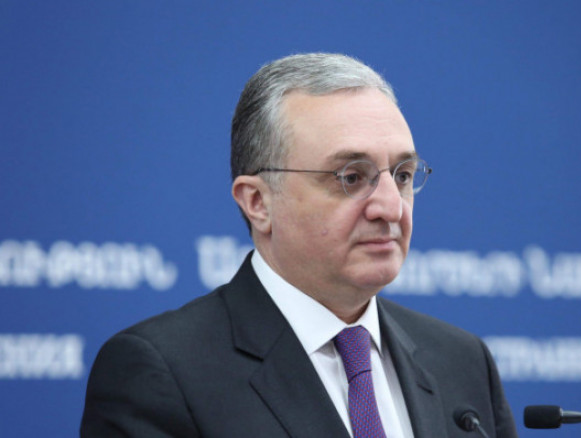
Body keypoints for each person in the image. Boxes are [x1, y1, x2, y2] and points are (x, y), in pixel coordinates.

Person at [81, 53, 518, 438]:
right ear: (258, 202)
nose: (391, 207)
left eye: (402, 175)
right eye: (351, 177)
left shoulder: (461, 361)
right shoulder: (163, 373)